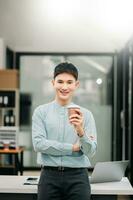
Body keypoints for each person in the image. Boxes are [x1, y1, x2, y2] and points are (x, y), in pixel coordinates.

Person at [32, 62, 97, 200]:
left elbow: (90, 151)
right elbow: (39, 144)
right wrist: (72, 148)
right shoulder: (41, 112)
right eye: (60, 81)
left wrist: (80, 131)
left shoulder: (86, 115)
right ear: (53, 83)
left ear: (76, 85)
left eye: (69, 82)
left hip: (78, 178)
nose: (64, 87)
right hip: (49, 177)